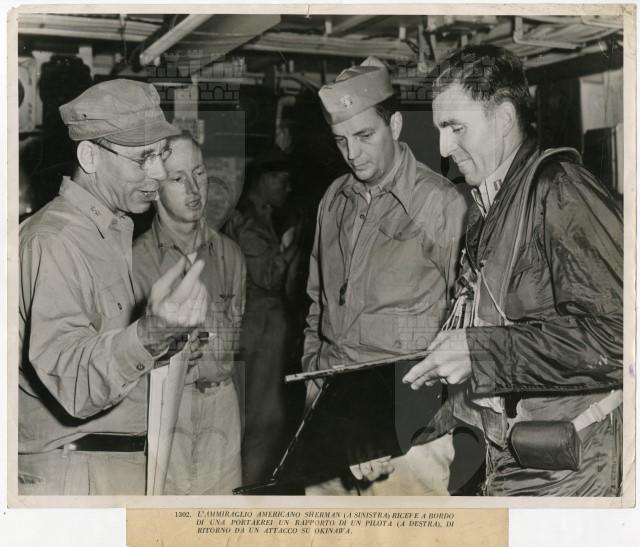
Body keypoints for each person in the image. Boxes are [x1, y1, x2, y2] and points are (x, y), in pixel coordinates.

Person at [403, 45, 623, 496]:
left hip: (571, 470)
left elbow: (622, 336)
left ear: (504, 118)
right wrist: (411, 433)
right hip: (514, 461)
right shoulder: (489, 207)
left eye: (455, 127)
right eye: (440, 130)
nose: (444, 148)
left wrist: (480, 352)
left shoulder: (560, 190)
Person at [18, 79, 209, 495]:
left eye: (160, 154)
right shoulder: (56, 240)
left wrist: (165, 345)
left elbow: (100, 343)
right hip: (75, 474)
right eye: (143, 158)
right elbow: (72, 381)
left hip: (103, 465)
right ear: (89, 156)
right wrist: (150, 334)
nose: (158, 174)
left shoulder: (109, 231)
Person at [302, 57, 468, 495]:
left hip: (407, 431)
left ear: (394, 125)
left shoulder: (440, 203)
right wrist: (313, 385)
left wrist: (398, 423)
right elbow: (317, 306)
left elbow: (468, 326)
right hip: (330, 416)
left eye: (364, 136)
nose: (352, 154)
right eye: (341, 140)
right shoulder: (333, 200)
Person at [132, 133, 246, 494]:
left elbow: (233, 339)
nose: (194, 189)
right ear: (155, 189)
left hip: (222, 407)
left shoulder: (230, 255)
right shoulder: (135, 261)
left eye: (199, 173)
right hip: (165, 408)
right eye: (178, 178)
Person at [225, 149, 304, 486]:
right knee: (263, 419)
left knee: (254, 417)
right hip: (261, 328)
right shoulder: (249, 221)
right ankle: (248, 491)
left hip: (258, 327)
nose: (287, 189)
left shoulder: (256, 216)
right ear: (263, 179)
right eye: (282, 181)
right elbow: (268, 276)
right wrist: (293, 245)